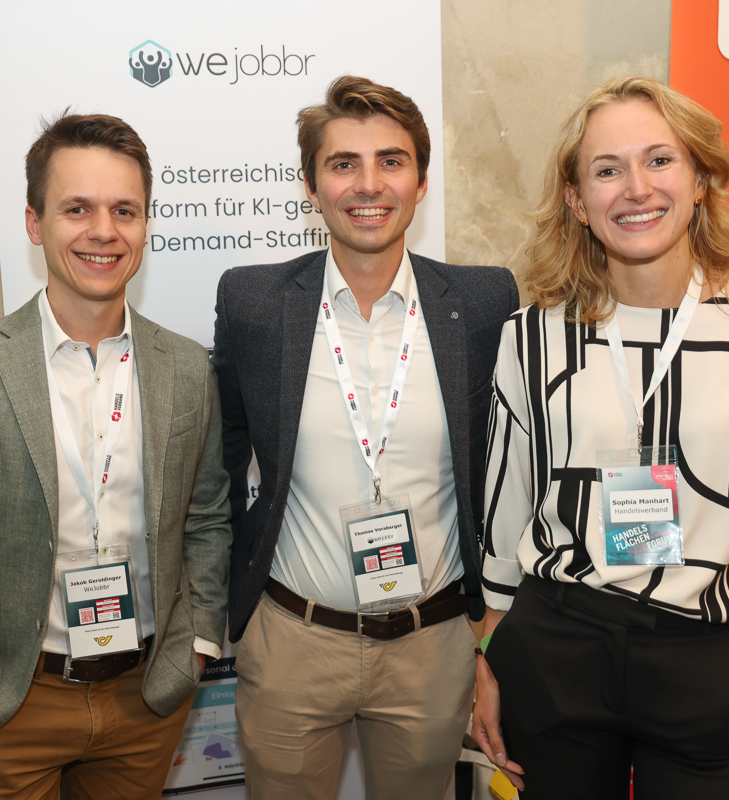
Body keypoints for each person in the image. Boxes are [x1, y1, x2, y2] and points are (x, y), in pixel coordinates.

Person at [472, 76, 729, 799]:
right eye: (607, 170)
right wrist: (490, 655)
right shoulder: (533, 336)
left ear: (701, 179)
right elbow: (507, 501)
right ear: (577, 200)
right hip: (557, 650)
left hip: (709, 654)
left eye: (660, 160)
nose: (636, 189)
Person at [0, 113, 231, 799]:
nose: (104, 231)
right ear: (34, 223)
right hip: (12, 700)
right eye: (77, 209)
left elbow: (208, 517)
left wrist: (196, 645)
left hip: (147, 695)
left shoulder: (187, 368)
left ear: (145, 224)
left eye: (124, 210)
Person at [212, 75, 519, 799]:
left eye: (391, 161)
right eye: (343, 163)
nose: (369, 184)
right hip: (291, 641)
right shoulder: (254, 302)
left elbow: (508, 475)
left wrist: (490, 638)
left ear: (421, 182)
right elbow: (219, 463)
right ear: (310, 186)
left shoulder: (483, 303)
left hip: (434, 646)